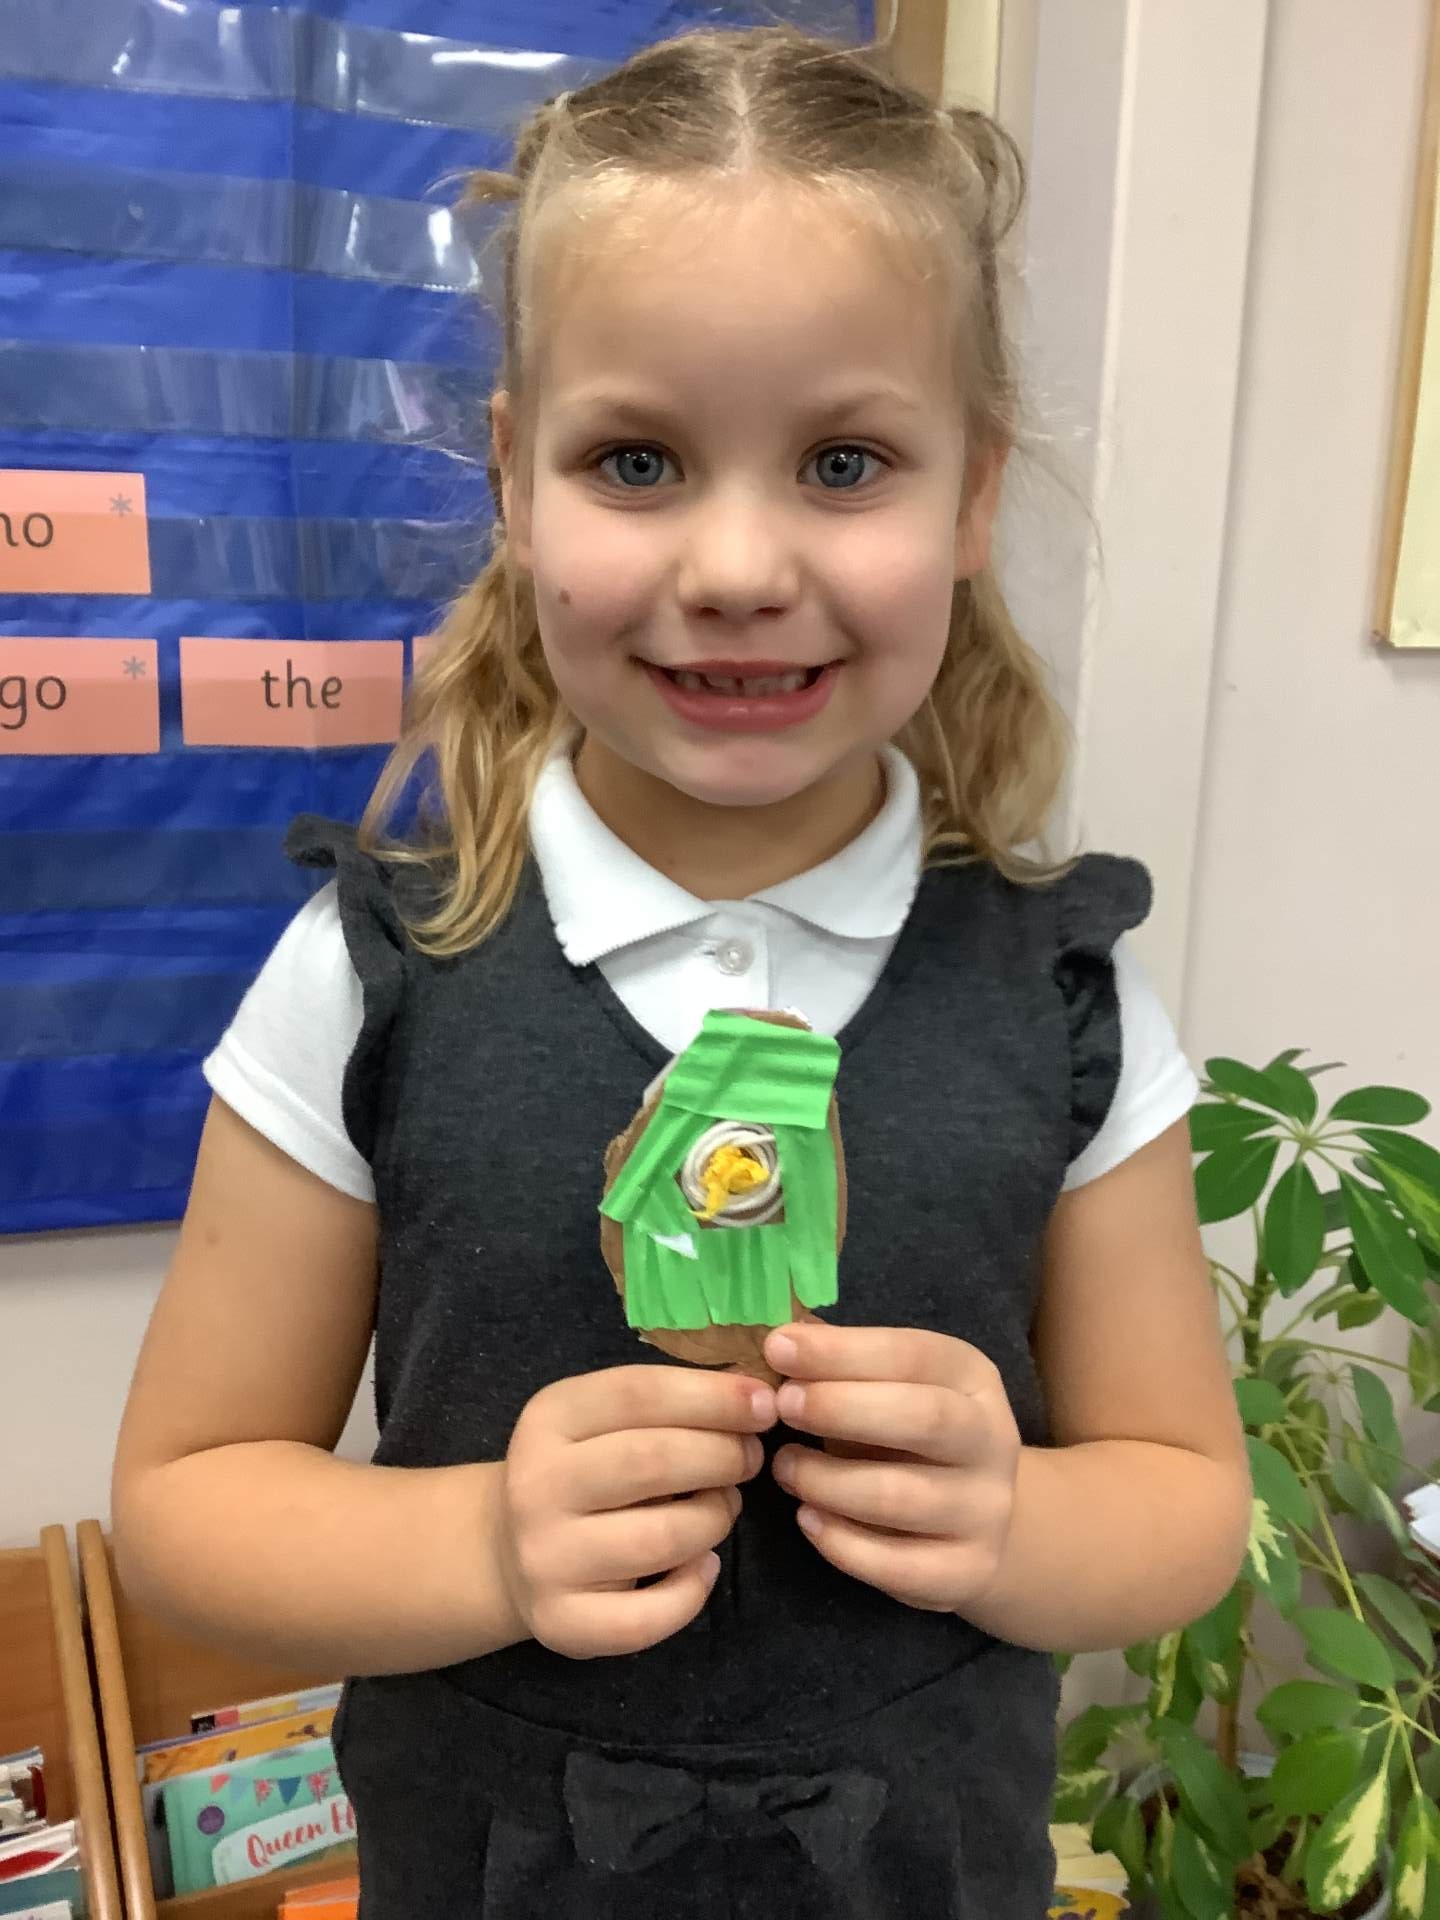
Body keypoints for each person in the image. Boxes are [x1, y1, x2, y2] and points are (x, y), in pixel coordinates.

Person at [111, 23, 1252, 1919]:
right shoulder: (375, 976)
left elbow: (1186, 1500)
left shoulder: (1065, 1003)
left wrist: (1015, 1517)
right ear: (514, 479)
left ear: (973, 494)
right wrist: (486, 1544)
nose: (735, 563)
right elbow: (186, 1503)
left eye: (844, 462)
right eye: (636, 460)